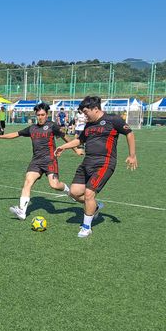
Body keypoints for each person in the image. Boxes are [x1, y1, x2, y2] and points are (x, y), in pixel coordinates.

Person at [55, 96, 138, 238]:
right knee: (74, 193)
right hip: (87, 163)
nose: (84, 115)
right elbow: (79, 140)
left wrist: (132, 155)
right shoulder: (89, 125)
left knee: (89, 194)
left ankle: (86, 227)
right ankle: (96, 206)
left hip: (104, 163)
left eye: (86, 111)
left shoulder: (113, 120)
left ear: (95, 109)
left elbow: (129, 133)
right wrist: (64, 146)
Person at [0, 102, 76, 220]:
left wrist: (76, 149)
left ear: (46, 115)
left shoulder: (52, 126)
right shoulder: (32, 128)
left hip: (50, 160)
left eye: (42, 115)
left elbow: (65, 136)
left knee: (54, 185)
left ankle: (68, 191)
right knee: (28, 182)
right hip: (36, 161)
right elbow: (16, 134)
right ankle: (22, 211)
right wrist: (1, 136)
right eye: (38, 115)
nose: (40, 117)